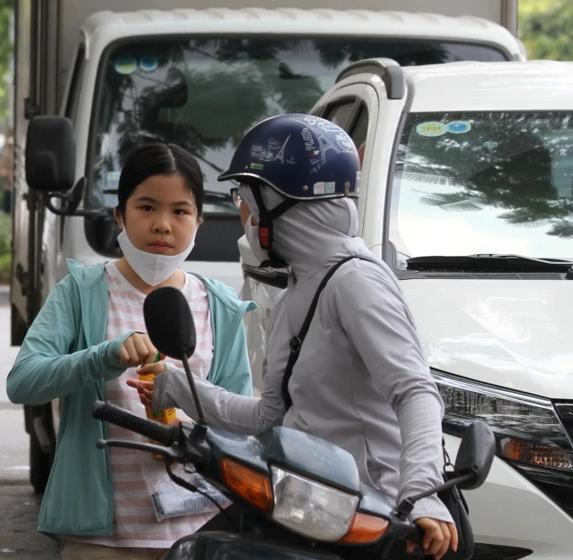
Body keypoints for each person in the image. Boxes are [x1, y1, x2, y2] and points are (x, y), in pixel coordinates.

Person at [129, 115, 459, 560]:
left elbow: (415, 391)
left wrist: (422, 492)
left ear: (276, 204)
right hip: (310, 508)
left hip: (372, 520)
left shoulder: (355, 280)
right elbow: (272, 418)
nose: (242, 216)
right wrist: (175, 385)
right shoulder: (296, 291)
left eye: (245, 200)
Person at [6, 143, 255, 559]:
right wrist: (102, 356)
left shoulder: (220, 305)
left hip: (202, 533)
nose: (162, 225)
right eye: (146, 207)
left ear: (199, 222)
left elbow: (241, 420)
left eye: (180, 211)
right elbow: (24, 382)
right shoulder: (81, 292)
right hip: (102, 540)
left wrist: (185, 412)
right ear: (119, 215)